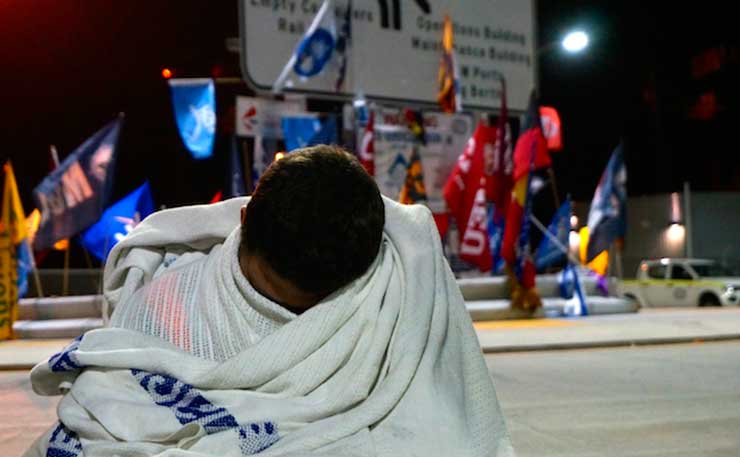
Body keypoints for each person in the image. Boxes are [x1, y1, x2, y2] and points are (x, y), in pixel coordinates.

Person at [25, 145, 515, 457]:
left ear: (354, 276)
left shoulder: (400, 292)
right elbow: (109, 406)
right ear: (242, 222)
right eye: (261, 284)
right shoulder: (162, 305)